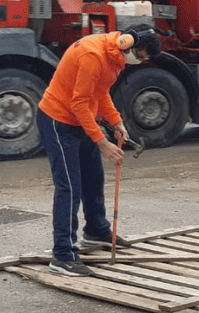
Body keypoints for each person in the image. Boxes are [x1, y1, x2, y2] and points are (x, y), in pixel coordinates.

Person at [36, 25, 162, 277]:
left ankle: (96, 231)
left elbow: (100, 91)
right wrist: (101, 142)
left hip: (80, 119)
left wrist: (116, 123)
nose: (141, 60)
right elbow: (79, 102)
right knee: (69, 188)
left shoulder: (114, 55)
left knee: (94, 179)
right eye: (141, 55)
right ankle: (62, 255)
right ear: (128, 43)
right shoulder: (93, 55)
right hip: (58, 121)